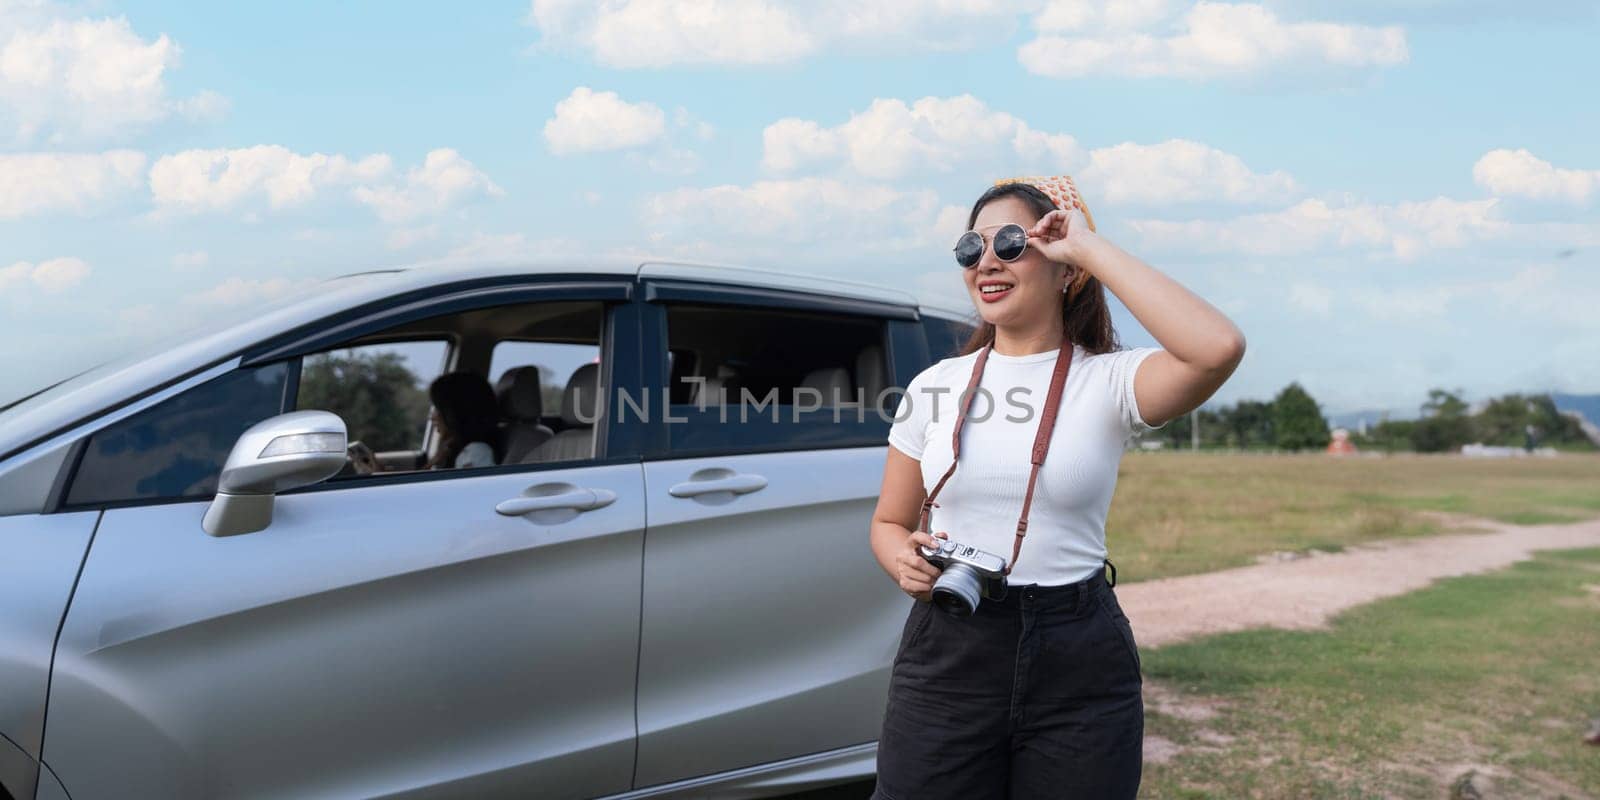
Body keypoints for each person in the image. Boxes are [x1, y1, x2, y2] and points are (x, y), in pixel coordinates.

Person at [867, 176, 1245, 799]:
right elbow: (889, 521)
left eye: (1012, 243)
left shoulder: (1109, 381)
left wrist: (1090, 248)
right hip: (951, 645)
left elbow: (1217, 348)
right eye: (971, 247)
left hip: (1078, 654)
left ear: (1065, 267)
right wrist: (899, 559)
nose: (986, 261)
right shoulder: (934, 385)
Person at [423, 371, 504, 470]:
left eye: (437, 408)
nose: (432, 417)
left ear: (454, 412)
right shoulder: (456, 449)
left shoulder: (476, 453)